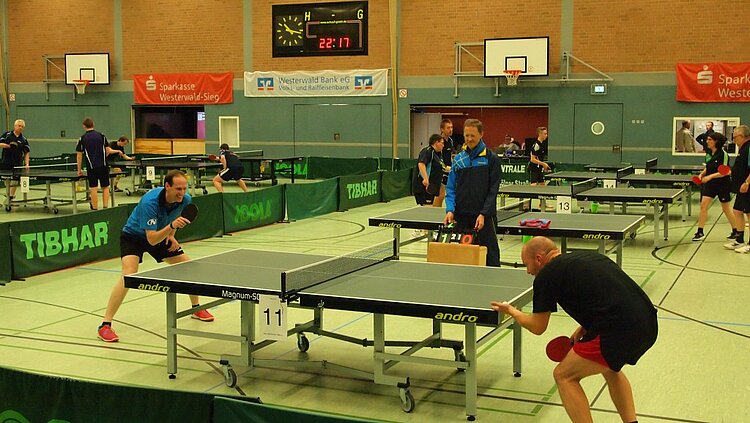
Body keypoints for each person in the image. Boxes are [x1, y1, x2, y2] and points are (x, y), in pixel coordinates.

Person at [491, 237, 657, 423]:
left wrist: (512, 311)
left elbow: (538, 327)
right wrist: (585, 328)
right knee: (611, 368)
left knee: (563, 375)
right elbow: (608, 294)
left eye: (526, 264)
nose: (528, 271)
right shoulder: (589, 257)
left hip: (617, 330)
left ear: (538, 258)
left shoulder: (547, 275)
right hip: (648, 322)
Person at [97, 170, 214, 342]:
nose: (182, 193)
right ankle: (105, 325)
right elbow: (151, 239)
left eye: (184, 188)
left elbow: (176, 218)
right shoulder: (150, 202)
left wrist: (171, 234)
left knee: (188, 267)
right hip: (134, 236)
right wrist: (171, 227)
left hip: (161, 234)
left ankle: (196, 308)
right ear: (167, 186)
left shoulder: (185, 200)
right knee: (128, 275)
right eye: (178, 189)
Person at [443, 119, 501, 267]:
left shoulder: (491, 159)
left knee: (490, 259)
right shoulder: (459, 159)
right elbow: (451, 188)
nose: (469, 139)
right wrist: (450, 210)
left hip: (484, 219)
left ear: (481, 134)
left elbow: (493, 191)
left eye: (473, 135)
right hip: (461, 217)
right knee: (462, 259)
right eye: (466, 135)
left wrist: (483, 214)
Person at [692, 132, 738, 241]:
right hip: (710, 185)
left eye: (709, 140)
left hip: (722, 184)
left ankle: (736, 231)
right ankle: (700, 232)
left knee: (726, 208)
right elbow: (708, 167)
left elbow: (725, 171)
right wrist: (701, 174)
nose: (707, 141)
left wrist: (710, 177)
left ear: (716, 141)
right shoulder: (709, 153)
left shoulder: (723, 155)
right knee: (703, 206)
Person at [76, 118, 121, 210]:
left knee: (93, 188)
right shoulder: (101, 136)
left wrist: (79, 170)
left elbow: (79, 156)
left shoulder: (82, 138)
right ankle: (105, 207)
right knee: (105, 187)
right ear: (93, 124)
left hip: (91, 167)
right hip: (103, 166)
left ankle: (95, 208)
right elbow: (108, 150)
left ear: (84, 126)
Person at [725, 125, 750, 253]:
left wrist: (747, 182)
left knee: (749, 214)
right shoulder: (743, 148)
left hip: (747, 187)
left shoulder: (749, 147)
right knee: (737, 211)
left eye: (735, 137)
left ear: (742, 136)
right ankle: (739, 240)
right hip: (741, 188)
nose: (734, 140)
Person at [0, 119, 31, 200]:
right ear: (15, 126)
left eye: (22, 126)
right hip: (6, 162)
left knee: (15, 181)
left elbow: (27, 152)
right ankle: (9, 195)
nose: (20, 128)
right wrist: (7, 146)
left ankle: (10, 197)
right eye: (19, 126)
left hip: (17, 164)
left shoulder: (23, 139)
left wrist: (27, 164)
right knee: (6, 179)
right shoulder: (7, 135)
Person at [412, 134, 447, 206]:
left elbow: (443, 167)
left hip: (433, 185)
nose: (443, 145)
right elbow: (421, 164)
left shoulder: (438, 154)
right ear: (436, 142)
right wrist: (425, 179)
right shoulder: (427, 151)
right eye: (442, 143)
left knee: (433, 206)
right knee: (427, 209)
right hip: (423, 186)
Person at [526, 126, 552, 210]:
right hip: (533, 169)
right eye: (545, 134)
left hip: (538, 169)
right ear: (540, 134)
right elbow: (532, 159)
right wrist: (543, 164)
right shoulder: (536, 145)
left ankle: (542, 204)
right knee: (533, 186)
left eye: (546, 134)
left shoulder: (542, 144)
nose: (546, 135)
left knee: (542, 186)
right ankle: (526, 205)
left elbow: (539, 158)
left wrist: (543, 166)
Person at [437, 119, 456, 206]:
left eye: (451, 127)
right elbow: (438, 158)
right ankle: (435, 211)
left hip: (449, 170)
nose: (450, 130)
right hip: (440, 171)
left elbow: (451, 155)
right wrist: (444, 168)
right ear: (442, 129)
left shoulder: (451, 141)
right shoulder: (439, 142)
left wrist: (453, 165)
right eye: (448, 128)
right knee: (440, 195)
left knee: (448, 193)